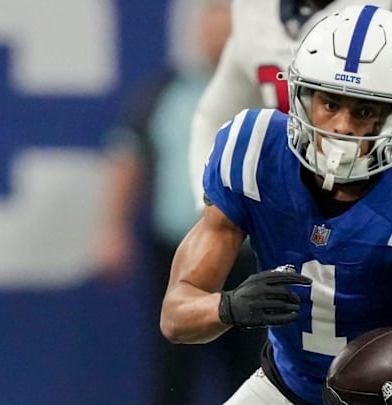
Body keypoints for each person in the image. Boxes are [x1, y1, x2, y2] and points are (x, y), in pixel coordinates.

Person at [162, 5, 392, 405]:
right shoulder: (254, 155)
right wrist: (229, 307)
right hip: (281, 386)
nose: (342, 126)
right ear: (301, 97)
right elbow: (175, 315)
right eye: (330, 103)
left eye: (365, 110)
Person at [94, 1, 265, 403]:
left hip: (252, 256)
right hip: (178, 254)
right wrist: (112, 228)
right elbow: (128, 155)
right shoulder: (166, 91)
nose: (222, 27)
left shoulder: (271, 93)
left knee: (253, 373)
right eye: (214, 14)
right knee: (174, 369)